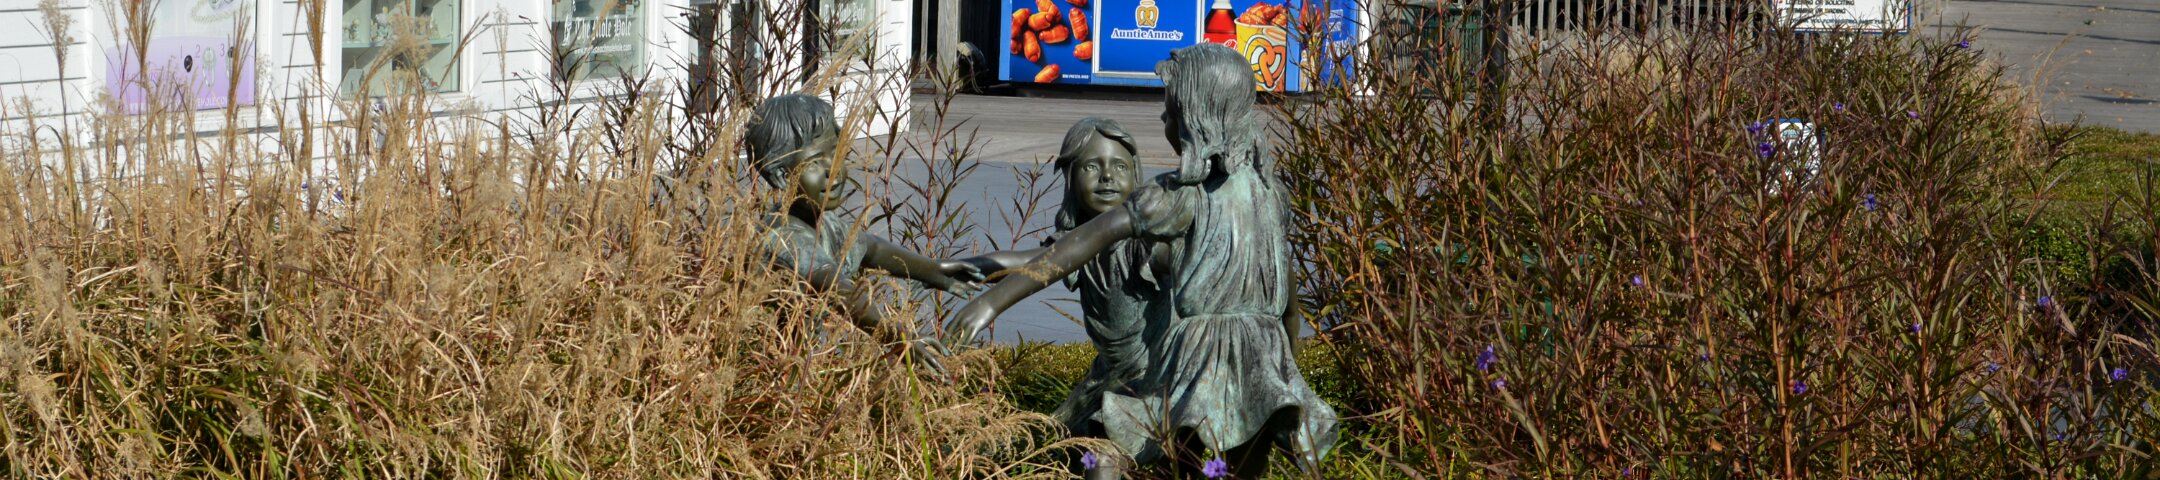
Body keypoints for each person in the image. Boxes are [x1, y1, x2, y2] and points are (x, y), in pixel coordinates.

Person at [946, 45, 1335, 478]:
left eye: (1170, 112)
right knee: (1231, 472)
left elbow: (1079, 244)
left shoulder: (1178, 197)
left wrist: (990, 304)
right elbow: (1287, 293)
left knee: (1119, 448)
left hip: (1199, 362)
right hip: (1263, 360)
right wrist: (1288, 366)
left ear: (1196, 117)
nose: (1164, 119)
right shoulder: (1270, 193)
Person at [959, 118, 1176, 478]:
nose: (1107, 177)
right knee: (1043, 450)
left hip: (1155, 382)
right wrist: (956, 267)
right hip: (1110, 380)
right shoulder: (1075, 245)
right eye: (1092, 167)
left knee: (1102, 460)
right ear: (1071, 178)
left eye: (1120, 167)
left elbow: (1180, 258)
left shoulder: (1144, 245)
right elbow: (1031, 263)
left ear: (1135, 176)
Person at [748, 94, 982, 366]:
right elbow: (838, 288)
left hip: (804, 370)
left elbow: (871, 248)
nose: (833, 170)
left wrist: (933, 270)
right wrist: (898, 339)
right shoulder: (785, 237)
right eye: (814, 163)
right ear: (780, 175)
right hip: (778, 373)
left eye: (836, 153)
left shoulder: (824, 222)